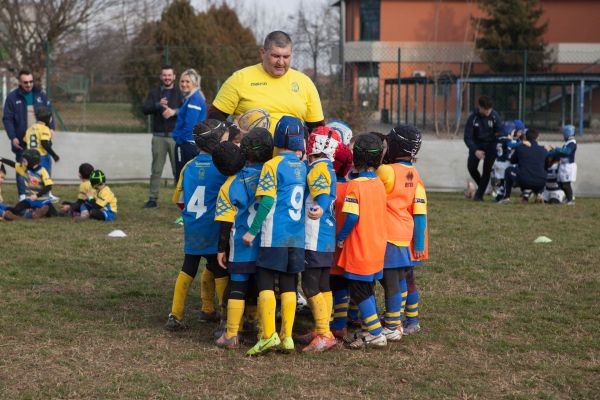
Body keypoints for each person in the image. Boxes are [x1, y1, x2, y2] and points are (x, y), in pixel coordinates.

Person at [243, 116, 307, 356]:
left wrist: (252, 230)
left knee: (266, 280)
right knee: (290, 282)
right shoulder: (302, 166)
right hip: (296, 235)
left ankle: (268, 335)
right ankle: (287, 336)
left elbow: (267, 200)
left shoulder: (272, 165)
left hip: (274, 233)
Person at [213, 129, 274, 349]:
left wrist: (222, 249)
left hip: (241, 244)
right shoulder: (273, 173)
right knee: (262, 286)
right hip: (267, 244)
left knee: (237, 285)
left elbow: (225, 221)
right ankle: (260, 328)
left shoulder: (231, 183)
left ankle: (231, 334)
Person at [165, 120, 228, 331]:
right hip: (214, 228)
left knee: (188, 268)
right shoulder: (222, 167)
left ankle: (176, 314)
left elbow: (179, 199)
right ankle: (225, 317)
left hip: (193, 227)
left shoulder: (188, 167)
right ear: (215, 142)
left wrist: (191, 216)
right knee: (220, 270)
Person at [208, 31, 325, 133]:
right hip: (248, 156)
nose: (281, 62)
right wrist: (233, 133)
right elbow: (213, 119)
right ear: (263, 53)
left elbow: (317, 128)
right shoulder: (240, 78)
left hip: (292, 158)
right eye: (275, 56)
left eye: (286, 57)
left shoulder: (305, 83)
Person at [375, 125, 428, 341]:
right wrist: (419, 242)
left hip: (389, 235)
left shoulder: (385, 171)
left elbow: (367, 188)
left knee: (392, 280)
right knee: (407, 278)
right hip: (410, 234)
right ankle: (411, 319)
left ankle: (393, 321)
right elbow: (420, 211)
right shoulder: (415, 175)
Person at [337, 133, 388, 349]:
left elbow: (352, 216)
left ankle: (376, 333)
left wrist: (340, 238)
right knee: (367, 288)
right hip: (377, 246)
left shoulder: (354, 187)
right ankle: (370, 327)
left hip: (360, 248)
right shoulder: (379, 184)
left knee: (359, 290)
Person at [295, 126, 341, 353]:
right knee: (323, 284)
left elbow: (322, 195)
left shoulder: (316, 170)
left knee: (309, 283)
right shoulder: (328, 167)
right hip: (326, 234)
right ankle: (324, 329)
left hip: (314, 233)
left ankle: (324, 333)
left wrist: (319, 208)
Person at [3, 69, 54, 199]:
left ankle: (45, 193)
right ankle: (23, 195)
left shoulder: (41, 95)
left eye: (31, 81)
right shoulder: (12, 97)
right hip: (22, 141)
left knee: (44, 166)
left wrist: (51, 128)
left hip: (41, 142)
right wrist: (13, 137)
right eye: (25, 82)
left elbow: (49, 113)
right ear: (20, 82)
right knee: (22, 168)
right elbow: (7, 119)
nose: (29, 85)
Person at [142, 65, 184, 208]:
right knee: (156, 170)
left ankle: (181, 201)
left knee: (178, 170)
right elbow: (145, 109)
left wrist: (174, 112)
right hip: (158, 137)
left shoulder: (180, 93)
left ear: (174, 77)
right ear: (161, 77)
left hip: (175, 137)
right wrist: (157, 105)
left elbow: (186, 110)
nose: (167, 77)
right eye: (164, 75)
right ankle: (153, 198)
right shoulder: (154, 93)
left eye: (169, 75)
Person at [464, 95, 503, 201]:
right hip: (476, 146)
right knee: (471, 167)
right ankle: (483, 187)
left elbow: (500, 132)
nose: (487, 112)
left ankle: (479, 196)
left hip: (491, 146)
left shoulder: (495, 116)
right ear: (479, 107)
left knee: (487, 169)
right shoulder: (473, 118)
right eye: (485, 109)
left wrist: (497, 142)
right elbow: (467, 137)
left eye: (489, 109)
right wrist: (475, 150)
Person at [172, 69, 207, 181]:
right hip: (189, 143)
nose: (184, 84)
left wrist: (180, 140)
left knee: (183, 178)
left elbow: (190, 124)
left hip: (187, 144)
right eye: (182, 81)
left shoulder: (195, 99)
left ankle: (183, 199)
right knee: (188, 178)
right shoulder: (191, 98)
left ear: (195, 83)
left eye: (187, 82)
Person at [496, 129, 548, 204]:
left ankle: (506, 197)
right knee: (539, 172)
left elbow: (512, 160)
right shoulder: (544, 150)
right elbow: (546, 166)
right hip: (540, 182)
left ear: (526, 138)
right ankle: (539, 194)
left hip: (524, 180)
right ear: (538, 138)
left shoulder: (521, 147)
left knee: (509, 170)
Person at [0, 149, 53, 220]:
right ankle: (33, 214)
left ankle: (39, 212)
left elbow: (48, 187)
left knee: (53, 213)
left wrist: (37, 195)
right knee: (16, 210)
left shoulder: (42, 171)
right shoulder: (24, 168)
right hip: (29, 200)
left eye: (24, 161)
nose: (23, 162)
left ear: (32, 162)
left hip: (43, 200)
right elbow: (13, 164)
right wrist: (2, 159)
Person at [548, 125, 577, 205]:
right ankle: (568, 198)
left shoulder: (572, 143)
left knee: (566, 184)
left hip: (568, 166)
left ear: (567, 133)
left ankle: (570, 200)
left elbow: (567, 152)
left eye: (564, 134)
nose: (563, 136)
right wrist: (548, 154)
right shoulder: (568, 143)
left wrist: (556, 148)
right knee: (560, 182)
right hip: (563, 166)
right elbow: (560, 152)